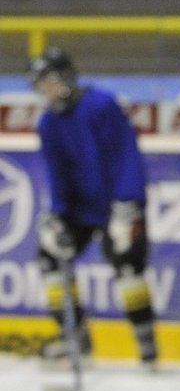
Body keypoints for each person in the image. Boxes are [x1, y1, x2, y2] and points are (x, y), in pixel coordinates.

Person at [29, 47, 158, 368]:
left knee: (128, 267)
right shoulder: (49, 123)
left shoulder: (101, 105)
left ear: (68, 76)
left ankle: (147, 347)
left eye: (51, 81)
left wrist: (128, 205)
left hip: (118, 205)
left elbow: (127, 154)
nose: (48, 90)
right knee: (49, 259)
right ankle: (75, 340)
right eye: (41, 85)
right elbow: (58, 174)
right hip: (80, 210)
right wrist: (57, 215)